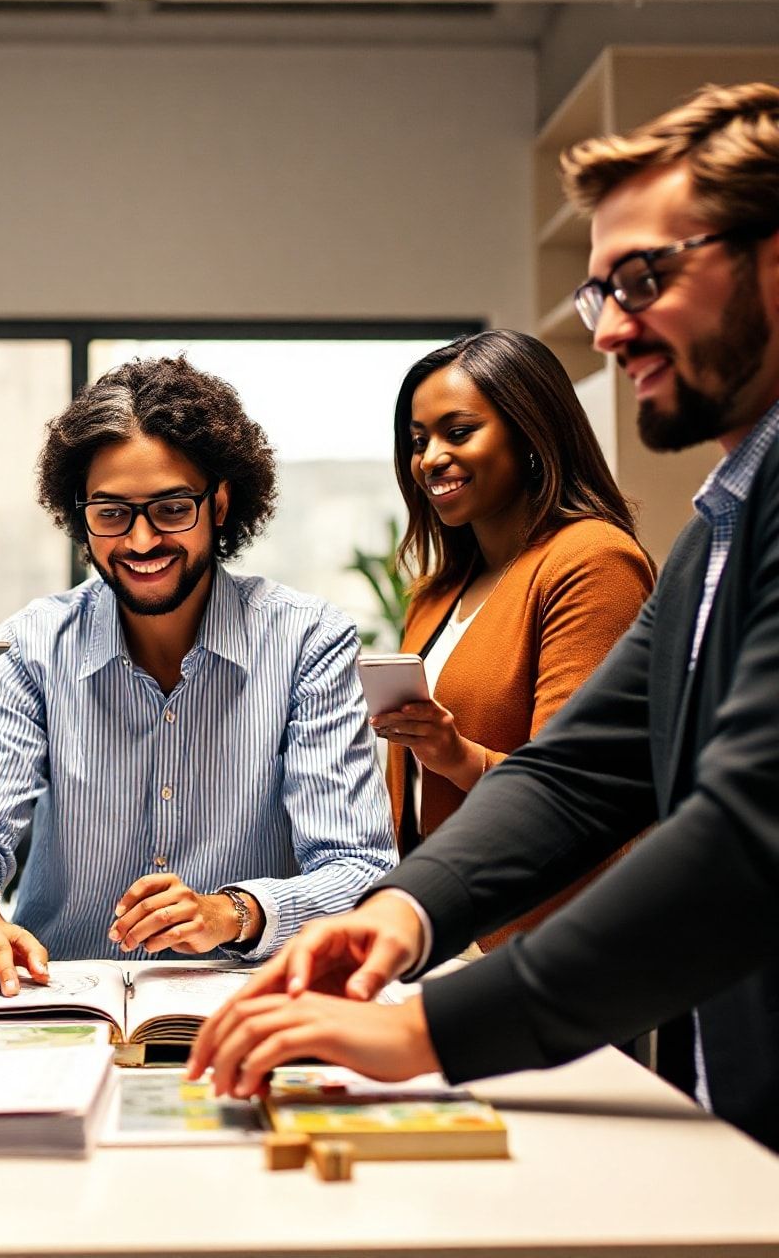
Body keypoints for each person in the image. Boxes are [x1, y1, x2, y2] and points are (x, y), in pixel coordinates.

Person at [189, 81, 779, 1153]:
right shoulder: (722, 520)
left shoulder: (629, 544)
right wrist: (398, 916)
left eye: (643, 278)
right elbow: (575, 771)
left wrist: (426, 1025)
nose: (610, 333)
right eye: (599, 292)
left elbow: (746, 834)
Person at [0, 355, 397, 1000]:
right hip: (64, 997)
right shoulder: (34, 645)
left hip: (244, 998)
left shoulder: (306, 640)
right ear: (78, 513)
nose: (140, 542)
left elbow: (357, 868)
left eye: (170, 509)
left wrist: (233, 914)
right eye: (111, 513)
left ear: (219, 504)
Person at [379, 329, 653, 946]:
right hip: (442, 925)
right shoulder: (435, 593)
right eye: (418, 440)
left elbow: (580, 789)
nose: (429, 458)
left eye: (458, 431)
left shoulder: (592, 561)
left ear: (531, 434)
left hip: (551, 944)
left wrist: (458, 756)